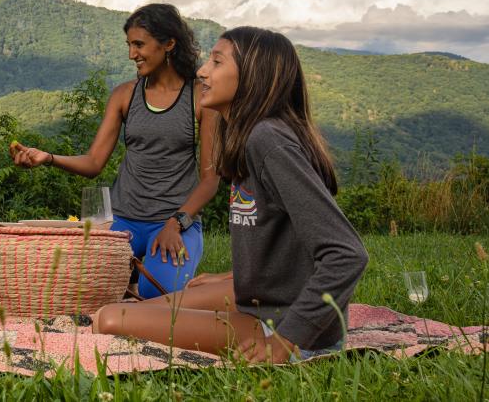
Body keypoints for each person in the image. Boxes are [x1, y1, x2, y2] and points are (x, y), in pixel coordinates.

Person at [92, 26, 369, 363]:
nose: (202, 71)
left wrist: (286, 341)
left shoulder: (268, 141)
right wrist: (242, 276)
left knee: (110, 318)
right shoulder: (251, 136)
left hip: (282, 324)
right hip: (265, 296)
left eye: (217, 62)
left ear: (252, 77)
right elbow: (288, 236)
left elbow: (347, 253)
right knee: (171, 297)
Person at [12, 3, 219, 298]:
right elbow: (94, 161)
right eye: (129, 45)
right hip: (124, 222)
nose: (131, 54)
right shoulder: (125, 95)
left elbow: (211, 179)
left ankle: (137, 279)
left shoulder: (199, 97)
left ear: (169, 44)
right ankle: (127, 275)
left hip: (173, 222)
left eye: (139, 45)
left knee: (158, 295)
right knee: (76, 289)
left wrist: (177, 222)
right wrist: (48, 158)